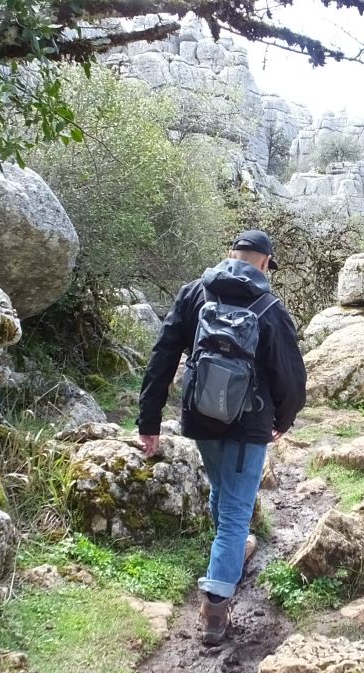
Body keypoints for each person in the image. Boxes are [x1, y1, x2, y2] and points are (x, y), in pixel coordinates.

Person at [136, 229, 307, 646]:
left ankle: (225, 558)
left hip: (200, 420)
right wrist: (284, 419)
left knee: (221, 492)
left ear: (231, 255)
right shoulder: (269, 306)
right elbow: (292, 377)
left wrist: (149, 420)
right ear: (265, 263)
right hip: (249, 426)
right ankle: (215, 609)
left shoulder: (195, 293)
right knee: (235, 515)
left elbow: (163, 356)